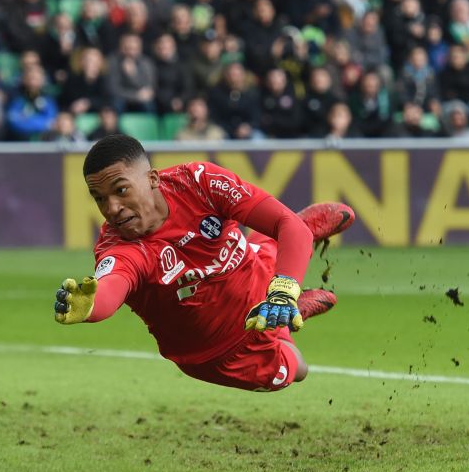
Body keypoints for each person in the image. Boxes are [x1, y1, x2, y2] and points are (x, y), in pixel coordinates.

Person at [52, 134, 356, 393]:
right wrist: (89, 306)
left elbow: (285, 224)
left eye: (120, 190)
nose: (112, 208)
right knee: (297, 369)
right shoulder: (120, 248)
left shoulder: (199, 182)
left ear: (153, 179)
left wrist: (284, 289)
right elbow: (110, 287)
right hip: (220, 352)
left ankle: (280, 294)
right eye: (99, 199)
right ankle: (287, 316)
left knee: (291, 232)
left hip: (249, 272)